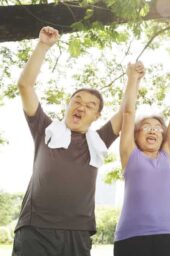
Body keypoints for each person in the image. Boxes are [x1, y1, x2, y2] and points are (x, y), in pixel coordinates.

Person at [12, 26, 132, 256]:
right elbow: (25, 86)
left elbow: (125, 112)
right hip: (36, 230)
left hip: (78, 232)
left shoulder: (99, 140)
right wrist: (43, 46)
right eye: (77, 100)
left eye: (90, 106)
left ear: (96, 116)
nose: (81, 106)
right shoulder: (45, 129)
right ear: (68, 106)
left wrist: (132, 80)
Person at [113, 69, 170, 256]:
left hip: (167, 235)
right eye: (146, 127)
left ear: (163, 135)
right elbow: (128, 113)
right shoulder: (130, 154)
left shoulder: (167, 155)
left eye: (157, 128)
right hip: (130, 236)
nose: (153, 131)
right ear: (136, 135)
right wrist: (133, 80)